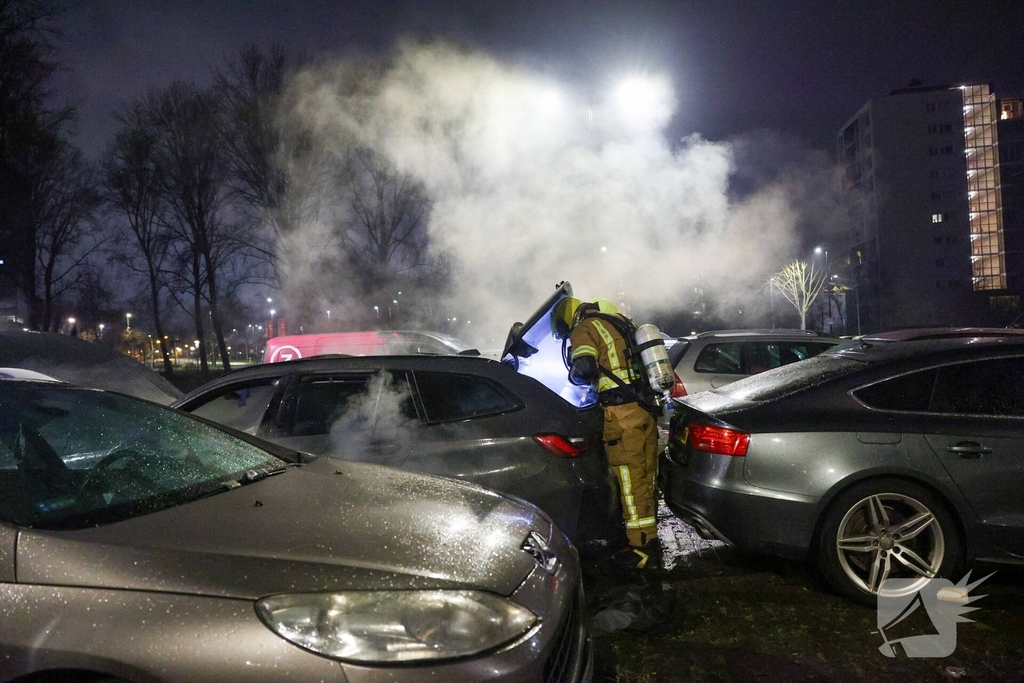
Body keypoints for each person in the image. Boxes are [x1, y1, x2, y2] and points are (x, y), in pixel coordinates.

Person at [552, 296, 662, 570]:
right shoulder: (619, 322)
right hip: (644, 409)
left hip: (622, 414)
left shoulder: (585, 329)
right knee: (646, 476)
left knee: (629, 478)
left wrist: (573, 377)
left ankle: (641, 550)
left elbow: (585, 367)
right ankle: (650, 537)